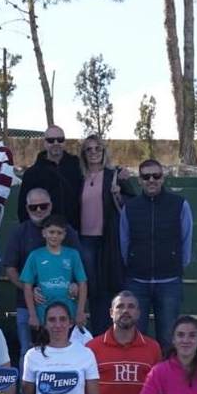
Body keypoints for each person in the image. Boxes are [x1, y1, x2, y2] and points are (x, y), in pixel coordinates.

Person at [120, 158, 194, 343]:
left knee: (168, 339)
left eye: (156, 175)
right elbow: (124, 240)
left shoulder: (180, 205)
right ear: (140, 180)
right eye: (146, 176)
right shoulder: (130, 207)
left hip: (169, 282)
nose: (151, 180)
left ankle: (167, 373)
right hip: (137, 281)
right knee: (135, 339)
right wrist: (133, 263)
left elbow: (186, 238)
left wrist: (175, 263)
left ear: (162, 178)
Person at [75, 135, 133, 334]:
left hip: (109, 237)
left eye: (97, 148)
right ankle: (97, 334)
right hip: (85, 238)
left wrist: (119, 193)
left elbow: (131, 204)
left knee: (111, 284)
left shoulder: (114, 174)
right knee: (92, 287)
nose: (93, 153)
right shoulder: (78, 176)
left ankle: (112, 332)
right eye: (89, 149)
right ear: (83, 154)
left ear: (104, 151)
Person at [3, 186, 54, 363]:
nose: (39, 210)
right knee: (27, 353)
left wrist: (74, 284)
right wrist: (29, 289)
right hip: (26, 305)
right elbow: (10, 270)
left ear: (50, 206)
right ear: (26, 209)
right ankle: (26, 392)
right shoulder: (18, 233)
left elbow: (77, 265)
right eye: (33, 207)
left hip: (59, 306)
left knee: (58, 352)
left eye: (43, 206)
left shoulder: (65, 231)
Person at [21, 214, 89, 333]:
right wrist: (32, 315)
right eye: (51, 232)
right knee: (44, 349)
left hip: (69, 316)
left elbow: (83, 283)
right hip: (43, 316)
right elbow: (27, 286)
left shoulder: (73, 255)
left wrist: (80, 312)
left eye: (59, 233)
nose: (55, 236)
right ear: (44, 233)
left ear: (64, 235)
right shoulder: (35, 256)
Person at [17, 124, 82, 225]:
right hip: (46, 233)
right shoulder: (32, 173)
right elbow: (23, 208)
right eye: (51, 140)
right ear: (45, 143)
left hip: (74, 231)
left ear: (64, 142)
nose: (55, 143)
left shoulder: (77, 166)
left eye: (60, 139)